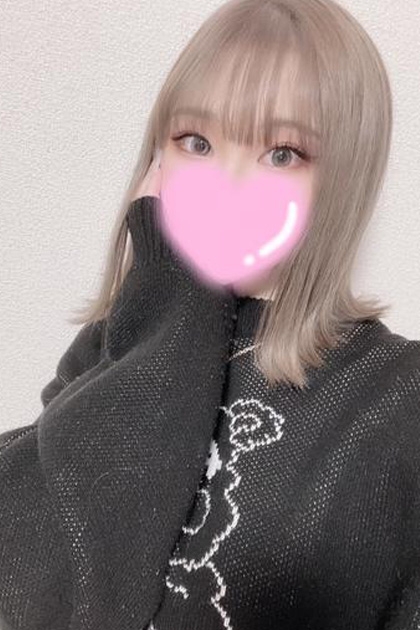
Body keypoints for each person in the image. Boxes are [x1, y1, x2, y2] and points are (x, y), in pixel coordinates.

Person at [1, 0, 420, 629]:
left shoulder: (399, 396)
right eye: (195, 141)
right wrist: (169, 298)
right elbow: (39, 587)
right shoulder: (111, 349)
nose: (226, 184)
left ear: (345, 177)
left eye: (283, 153)